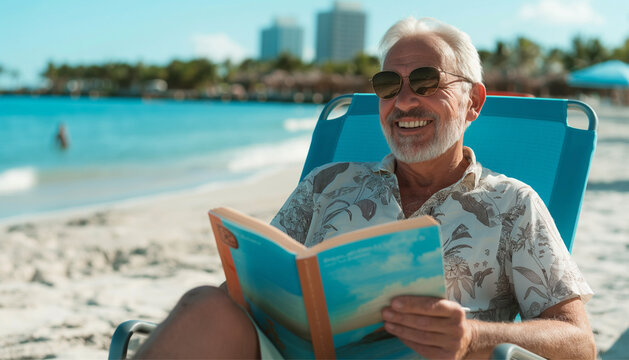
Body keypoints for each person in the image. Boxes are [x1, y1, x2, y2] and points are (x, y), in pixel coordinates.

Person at [135, 17, 595, 359]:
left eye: (425, 81)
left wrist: (478, 336)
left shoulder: (513, 204)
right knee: (205, 305)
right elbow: (244, 297)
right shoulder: (327, 183)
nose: (404, 100)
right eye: (388, 85)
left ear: (472, 101)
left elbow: (579, 342)